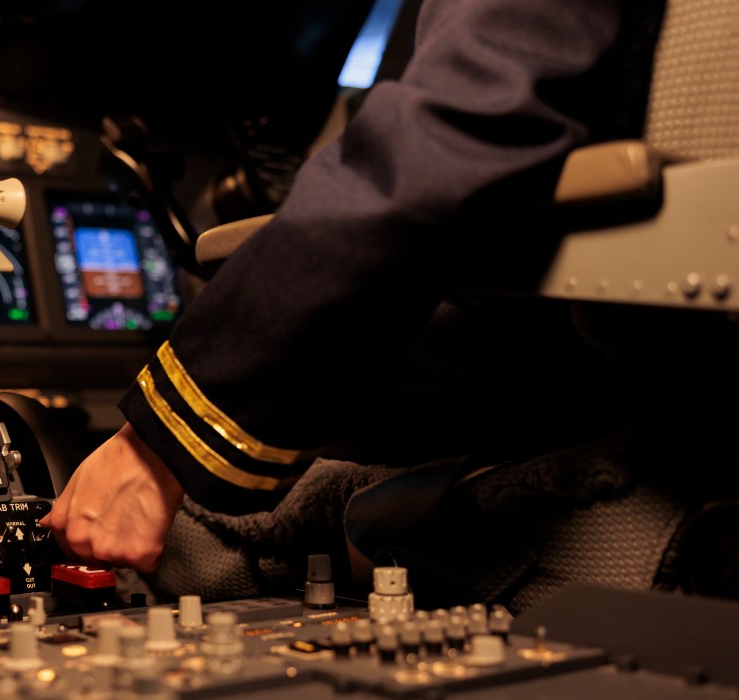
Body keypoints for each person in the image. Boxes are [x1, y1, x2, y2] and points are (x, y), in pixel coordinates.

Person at [40, 0, 686, 589]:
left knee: (191, 540)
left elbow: (457, 127)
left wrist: (157, 448)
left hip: (531, 385)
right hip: (574, 368)